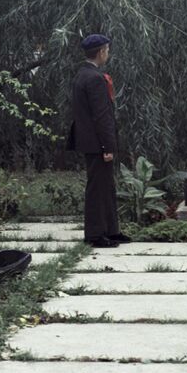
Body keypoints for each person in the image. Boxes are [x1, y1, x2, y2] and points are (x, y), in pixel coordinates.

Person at [68, 34, 130, 248]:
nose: (108, 53)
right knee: (97, 188)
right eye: (107, 50)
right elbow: (101, 116)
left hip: (91, 142)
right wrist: (108, 146)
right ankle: (95, 235)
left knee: (106, 186)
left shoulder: (83, 74)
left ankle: (111, 231)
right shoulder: (95, 78)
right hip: (97, 143)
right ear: (101, 52)